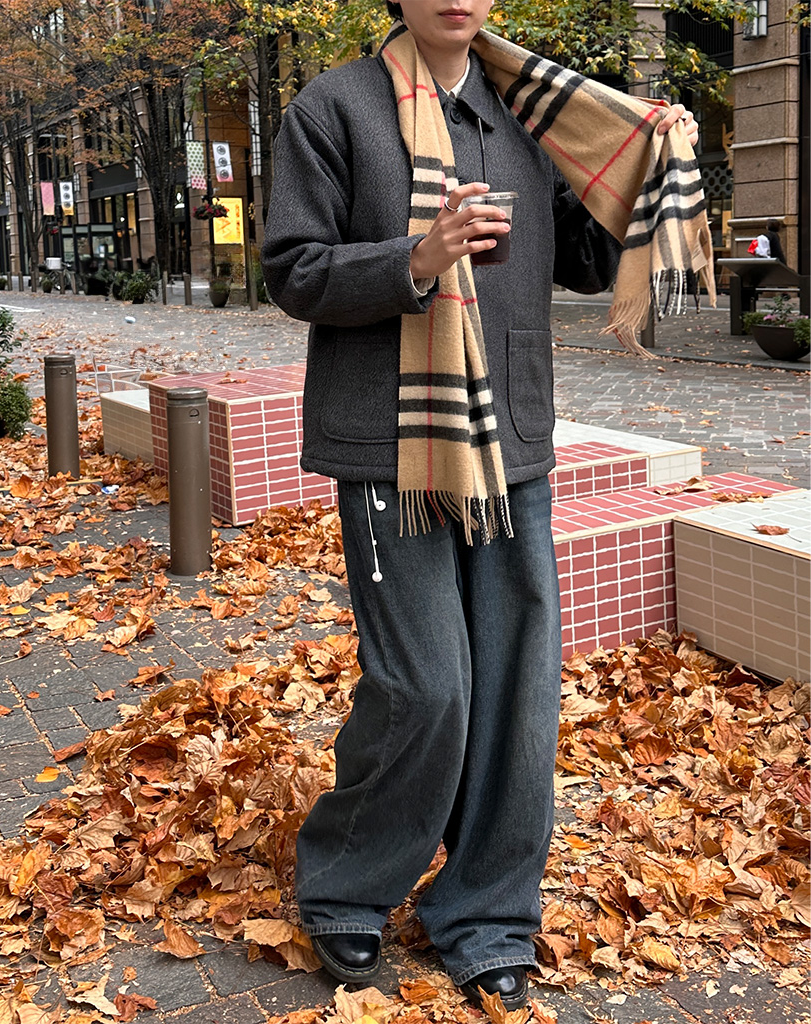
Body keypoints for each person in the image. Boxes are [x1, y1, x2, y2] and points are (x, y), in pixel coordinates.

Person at [262, 0, 700, 1010]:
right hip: (389, 441)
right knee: (427, 689)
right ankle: (348, 887)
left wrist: (641, 160)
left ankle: (487, 914)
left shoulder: (532, 110)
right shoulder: (335, 107)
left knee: (515, 691)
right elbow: (292, 270)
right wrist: (417, 258)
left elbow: (583, 261)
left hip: (511, 438)